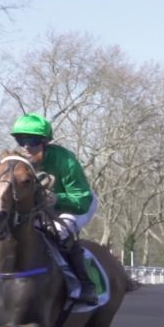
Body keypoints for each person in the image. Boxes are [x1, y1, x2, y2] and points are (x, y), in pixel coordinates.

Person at [11, 113, 99, 304]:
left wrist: (57, 199)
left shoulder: (65, 160)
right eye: (21, 140)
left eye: (33, 140)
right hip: (42, 208)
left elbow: (81, 199)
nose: (26, 146)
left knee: (59, 232)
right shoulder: (16, 162)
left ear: (45, 142)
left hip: (77, 204)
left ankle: (85, 285)